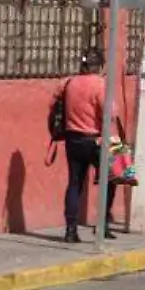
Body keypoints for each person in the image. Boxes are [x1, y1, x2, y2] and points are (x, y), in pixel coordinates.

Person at [55, 50, 116, 243]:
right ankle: (103, 224)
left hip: (72, 139)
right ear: (100, 66)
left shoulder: (68, 83)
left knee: (74, 183)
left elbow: (54, 104)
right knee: (110, 179)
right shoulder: (99, 85)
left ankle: (70, 230)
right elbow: (111, 113)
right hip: (95, 140)